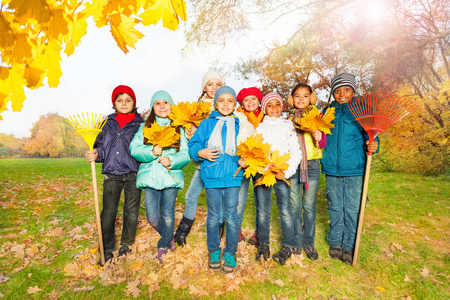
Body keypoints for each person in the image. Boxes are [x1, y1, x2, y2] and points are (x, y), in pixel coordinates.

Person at [321, 73, 379, 265]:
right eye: (337, 90)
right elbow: (320, 136)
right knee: (335, 207)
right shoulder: (326, 112)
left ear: (354, 90)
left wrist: (374, 144)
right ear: (333, 93)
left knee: (353, 208)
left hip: (355, 168)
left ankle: (349, 245)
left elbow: (371, 135)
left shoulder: (361, 111)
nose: (342, 94)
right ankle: (336, 242)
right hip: (332, 169)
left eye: (346, 89)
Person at [129, 90, 190, 264]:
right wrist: (151, 151)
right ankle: (169, 235)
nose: (162, 106)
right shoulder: (145, 128)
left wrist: (172, 160)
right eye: (158, 103)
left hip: (171, 177)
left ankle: (163, 244)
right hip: (150, 177)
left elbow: (185, 153)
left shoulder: (178, 128)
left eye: (165, 103)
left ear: (171, 106)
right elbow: (134, 148)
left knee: (168, 214)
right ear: (152, 107)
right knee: (153, 217)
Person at [85, 85, 143, 264]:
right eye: (119, 100)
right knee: (109, 211)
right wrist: (96, 154)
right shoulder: (106, 123)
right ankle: (107, 248)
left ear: (134, 103)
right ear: (114, 103)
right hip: (112, 172)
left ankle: (126, 244)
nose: (124, 103)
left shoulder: (140, 124)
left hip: (133, 172)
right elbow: (101, 147)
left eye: (128, 100)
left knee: (131, 211)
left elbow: (143, 148)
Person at [188, 86, 244, 273]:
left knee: (231, 217)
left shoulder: (238, 125)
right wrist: (199, 152)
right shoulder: (206, 124)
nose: (225, 104)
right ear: (215, 102)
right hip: (212, 176)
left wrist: (245, 159)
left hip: (233, 178)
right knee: (213, 217)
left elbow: (248, 147)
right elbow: (193, 143)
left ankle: (230, 252)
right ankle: (213, 250)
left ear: (235, 104)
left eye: (230, 101)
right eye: (221, 100)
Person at [174, 70, 226, 246]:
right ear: (204, 87)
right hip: (202, 163)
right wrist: (191, 134)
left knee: (218, 200)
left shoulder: (226, 105)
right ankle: (182, 232)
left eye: (218, 84)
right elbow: (193, 137)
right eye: (210, 84)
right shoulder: (197, 109)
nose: (214, 88)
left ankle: (219, 231)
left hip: (220, 163)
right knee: (191, 196)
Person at [253, 92, 302, 265]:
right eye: (270, 105)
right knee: (263, 210)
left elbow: (296, 152)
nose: (274, 108)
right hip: (264, 173)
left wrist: (286, 171)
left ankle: (288, 245)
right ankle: (263, 243)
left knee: (285, 210)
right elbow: (256, 153)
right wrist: (266, 167)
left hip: (282, 174)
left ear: (282, 107)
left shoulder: (288, 127)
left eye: (277, 105)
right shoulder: (259, 128)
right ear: (264, 108)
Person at [288, 83, 327, 260]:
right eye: (297, 96)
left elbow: (323, 143)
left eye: (305, 95)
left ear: (311, 98)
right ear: (292, 99)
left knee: (309, 206)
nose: (301, 99)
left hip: (311, 165)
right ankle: (296, 240)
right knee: (294, 205)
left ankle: (308, 242)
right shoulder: (289, 121)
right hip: (294, 166)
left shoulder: (317, 117)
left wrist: (319, 137)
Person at [234, 87, 264, 244]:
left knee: (261, 199)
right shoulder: (237, 117)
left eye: (254, 99)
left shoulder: (266, 117)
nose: (250, 102)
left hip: (260, 162)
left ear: (259, 101)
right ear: (241, 103)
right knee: (239, 198)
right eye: (246, 100)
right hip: (243, 161)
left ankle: (260, 231)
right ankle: (236, 230)